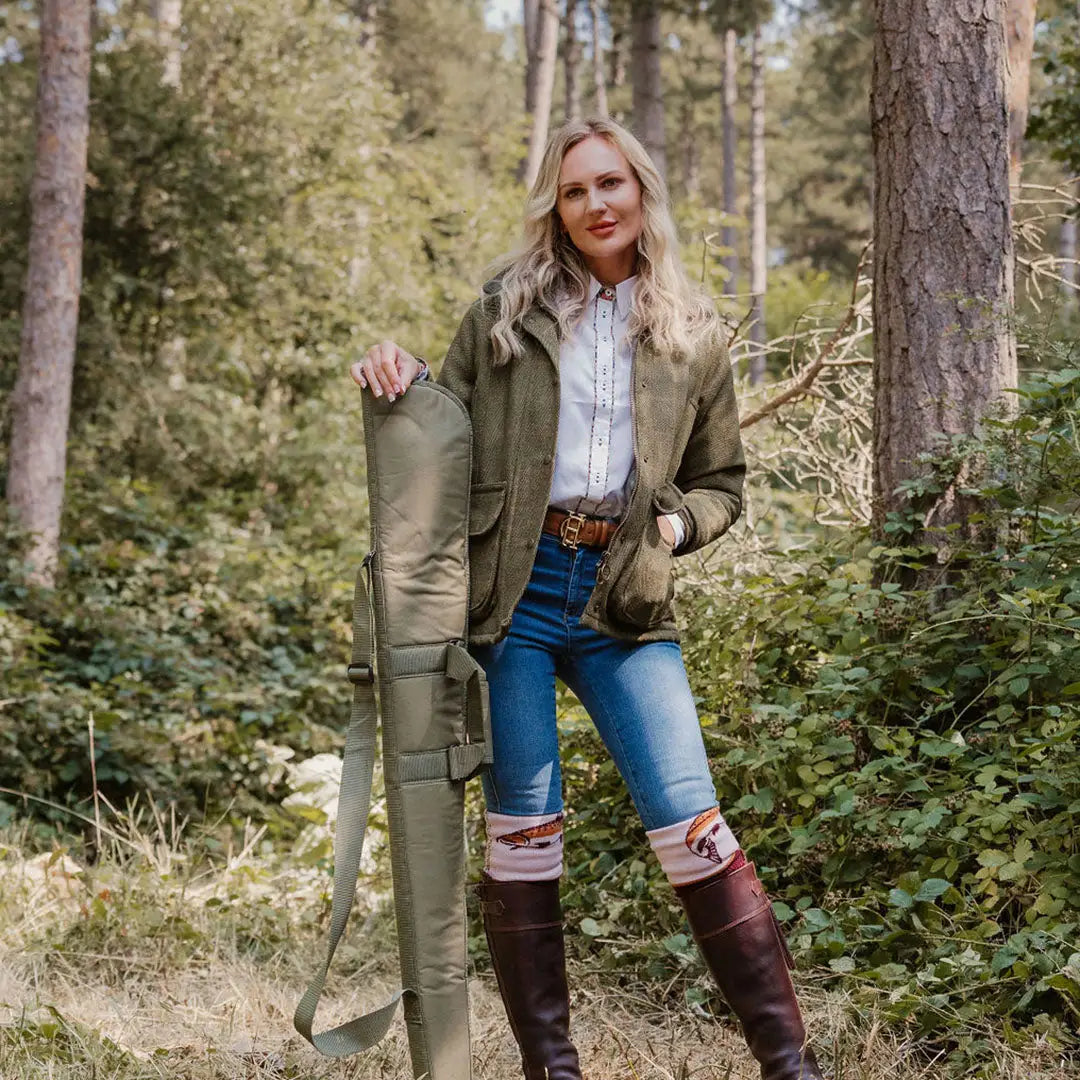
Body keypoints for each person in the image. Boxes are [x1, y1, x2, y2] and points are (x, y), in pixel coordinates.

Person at [350, 116, 824, 1080]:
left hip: (626, 600)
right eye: (575, 191)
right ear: (556, 209)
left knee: (694, 826)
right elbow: (443, 424)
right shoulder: (505, 313)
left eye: (611, 184)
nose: (596, 204)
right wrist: (401, 373)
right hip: (512, 598)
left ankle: (791, 1067)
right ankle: (553, 1072)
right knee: (524, 834)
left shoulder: (692, 335)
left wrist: (674, 529)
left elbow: (723, 483)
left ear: (640, 193)